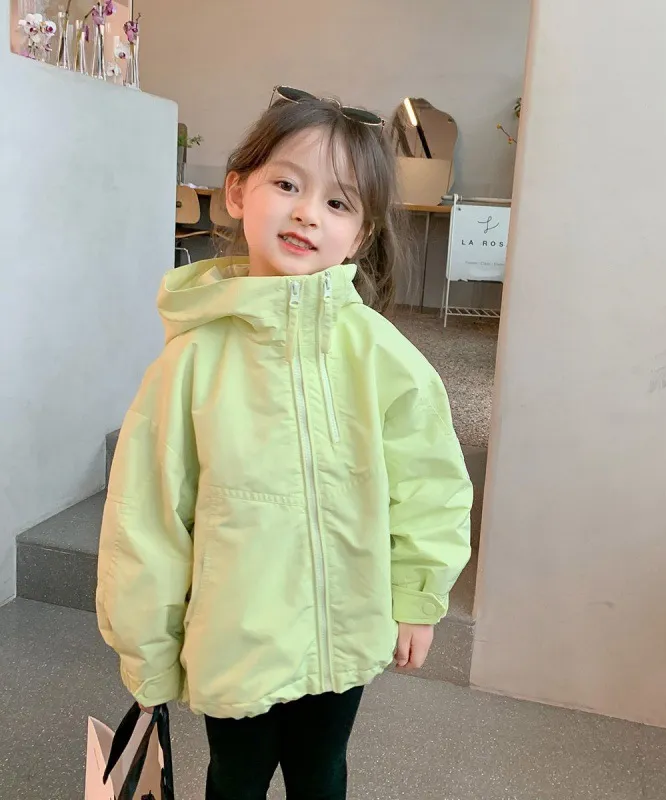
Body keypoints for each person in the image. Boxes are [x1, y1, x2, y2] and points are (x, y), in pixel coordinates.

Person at [96, 86, 473, 800]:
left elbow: (430, 484)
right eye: (288, 185)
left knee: (322, 774)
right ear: (238, 191)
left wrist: (417, 596)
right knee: (234, 780)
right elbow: (147, 518)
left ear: (360, 234)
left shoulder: (381, 356)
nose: (307, 213)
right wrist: (147, 648)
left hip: (344, 628)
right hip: (235, 636)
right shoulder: (191, 362)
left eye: (338, 202)